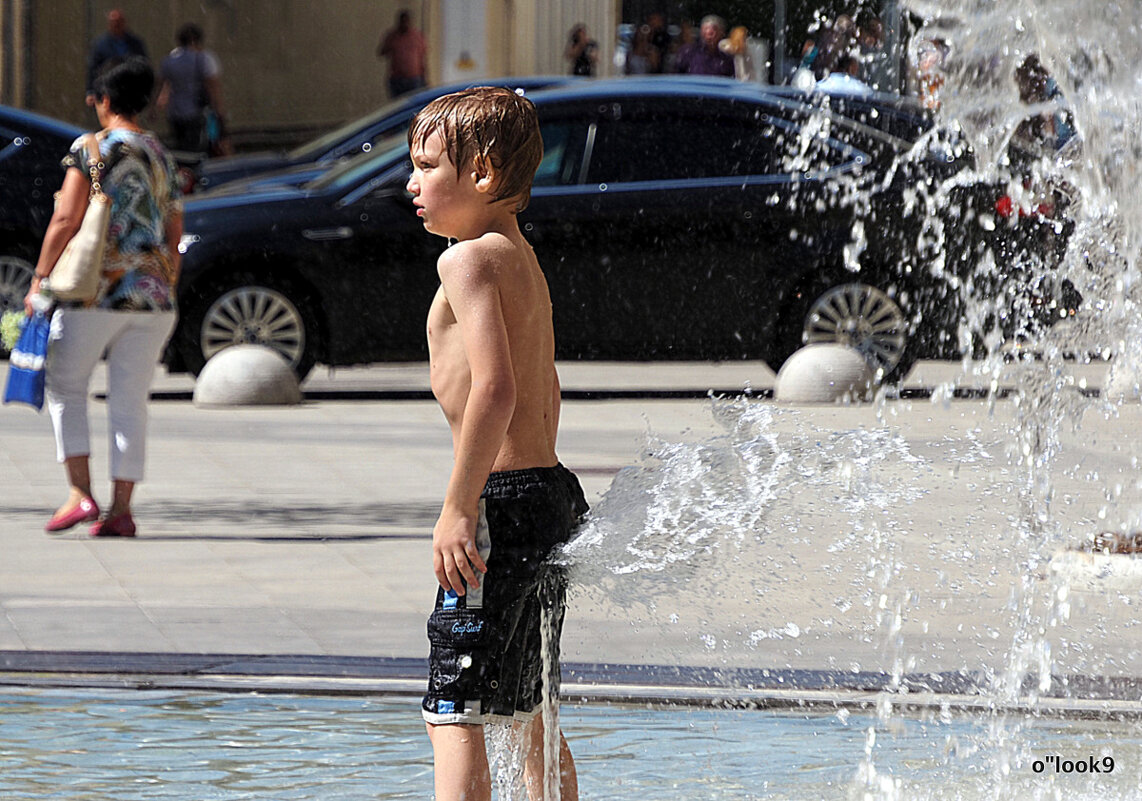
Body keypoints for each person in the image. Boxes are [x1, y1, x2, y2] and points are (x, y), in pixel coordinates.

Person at [406, 86, 589, 801]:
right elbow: (547, 387)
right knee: (526, 705)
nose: (412, 184)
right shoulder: (521, 257)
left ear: (481, 172)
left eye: (425, 165)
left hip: (501, 502)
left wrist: (460, 505)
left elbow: (496, 390)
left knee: (452, 706)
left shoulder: (468, 261)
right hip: (547, 492)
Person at [24, 57, 182, 539]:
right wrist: (162, 282)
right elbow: (175, 231)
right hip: (153, 299)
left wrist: (40, 278)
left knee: (66, 385)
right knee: (130, 400)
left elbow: (67, 219)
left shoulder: (91, 147)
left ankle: (79, 493)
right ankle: (122, 510)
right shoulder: (161, 154)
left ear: (105, 100)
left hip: (93, 294)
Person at [157, 23, 228, 155]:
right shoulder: (203, 58)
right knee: (198, 148)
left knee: (181, 146)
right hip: (196, 111)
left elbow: (163, 84)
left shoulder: (169, 60)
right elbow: (212, 86)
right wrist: (219, 110)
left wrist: (155, 107)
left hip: (175, 112)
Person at [85, 9, 148, 106]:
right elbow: (93, 68)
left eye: (118, 22)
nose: (116, 25)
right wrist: (90, 92)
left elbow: (143, 66)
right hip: (107, 91)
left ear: (123, 23)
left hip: (129, 91)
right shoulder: (100, 45)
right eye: (113, 22)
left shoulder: (135, 44)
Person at [377, 10, 428, 98]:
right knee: (398, 105)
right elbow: (382, 52)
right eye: (402, 21)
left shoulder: (417, 36)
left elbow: (422, 57)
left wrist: (425, 77)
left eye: (406, 21)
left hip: (414, 78)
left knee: (414, 105)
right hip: (397, 79)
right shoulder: (392, 36)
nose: (404, 24)